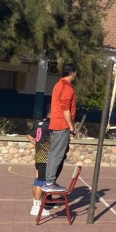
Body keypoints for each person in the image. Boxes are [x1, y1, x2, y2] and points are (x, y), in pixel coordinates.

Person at [42, 64, 77, 193]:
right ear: (73, 73)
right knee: (57, 154)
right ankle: (49, 182)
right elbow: (65, 108)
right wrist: (71, 126)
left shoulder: (58, 84)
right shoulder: (67, 87)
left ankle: (49, 181)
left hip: (55, 123)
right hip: (61, 124)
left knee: (54, 153)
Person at [27, 114, 66, 218]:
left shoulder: (40, 122)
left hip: (39, 155)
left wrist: (38, 145)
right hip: (46, 157)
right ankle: (36, 207)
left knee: (37, 180)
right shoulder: (51, 124)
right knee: (41, 181)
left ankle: (41, 202)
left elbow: (30, 135)